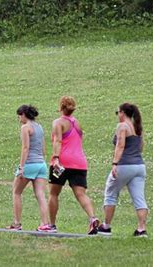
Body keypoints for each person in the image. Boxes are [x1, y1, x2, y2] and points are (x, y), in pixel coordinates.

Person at [48, 96, 100, 234]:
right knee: (81, 194)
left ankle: (51, 225)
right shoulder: (77, 123)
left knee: (53, 193)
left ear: (60, 107)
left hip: (62, 163)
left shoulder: (58, 123)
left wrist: (56, 158)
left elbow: (58, 141)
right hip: (79, 163)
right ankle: (92, 218)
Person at [98, 103, 148, 237]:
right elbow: (141, 147)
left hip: (124, 165)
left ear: (122, 113)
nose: (117, 115)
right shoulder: (137, 127)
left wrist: (115, 163)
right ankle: (141, 229)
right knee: (139, 198)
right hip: (139, 166)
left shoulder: (122, 126)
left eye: (117, 112)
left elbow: (120, 145)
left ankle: (106, 226)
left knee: (111, 193)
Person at [7, 105, 52, 232]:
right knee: (41, 195)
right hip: (41, 164)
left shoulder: (25, 128)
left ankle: (17, 223)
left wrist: (21, 167)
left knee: (16, 192)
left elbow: (25, 148)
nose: (19, 118)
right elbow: (43, 148)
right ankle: (45, 223)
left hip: (30, 164)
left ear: (24, 115)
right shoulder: (40, 127)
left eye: (19, 115)